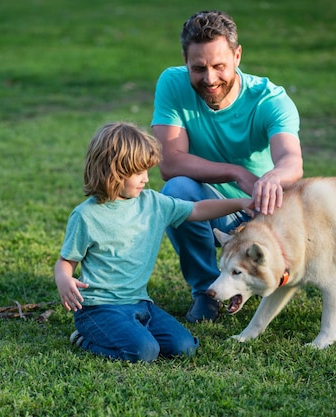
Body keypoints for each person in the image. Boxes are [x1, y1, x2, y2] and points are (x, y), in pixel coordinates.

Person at [151, 10, 304, 323]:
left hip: (259, 213)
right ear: (185, 61)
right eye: (198, 68)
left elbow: (291, 160)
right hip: (208, 205)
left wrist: (272, 178)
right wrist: (236, 173)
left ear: (237, 55)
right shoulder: (172, 83)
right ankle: (206, 291)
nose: (209, 79)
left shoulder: (269, 100)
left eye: (219, 66)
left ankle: (269, 279)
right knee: (176, 190)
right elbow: (170, 162)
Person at [54, 122, 252, 363]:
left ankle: (130, 332)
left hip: (140, 303)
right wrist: (64, 279)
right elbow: (66, 261)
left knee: (184, 347)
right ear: (114, 171)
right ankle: (85, 339)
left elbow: (198, 209)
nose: (146, 179)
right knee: (143, 352)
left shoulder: (153, 203)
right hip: (99, 308)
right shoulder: (86, 216)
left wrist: (240, 203)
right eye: (139, 173)